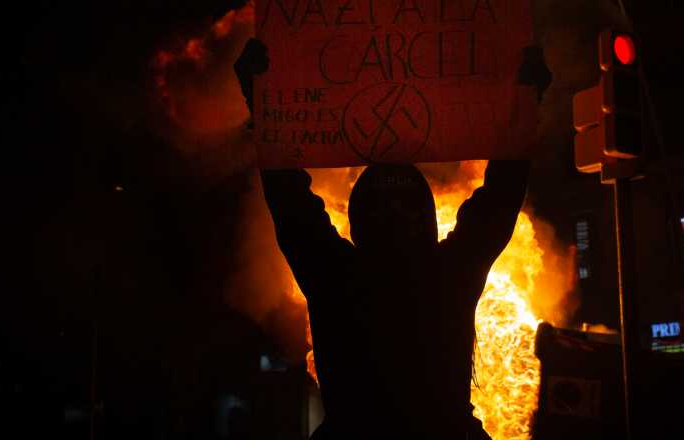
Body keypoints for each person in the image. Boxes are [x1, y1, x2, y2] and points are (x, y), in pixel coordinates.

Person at [236, 39, 550, 440]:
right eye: (387, 209)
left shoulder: (334, 273)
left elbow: (289, 199)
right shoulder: (449, 273)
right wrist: (524, 104)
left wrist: (265, 104)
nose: (396, 218)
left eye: (403, 207)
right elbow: (499, 198)